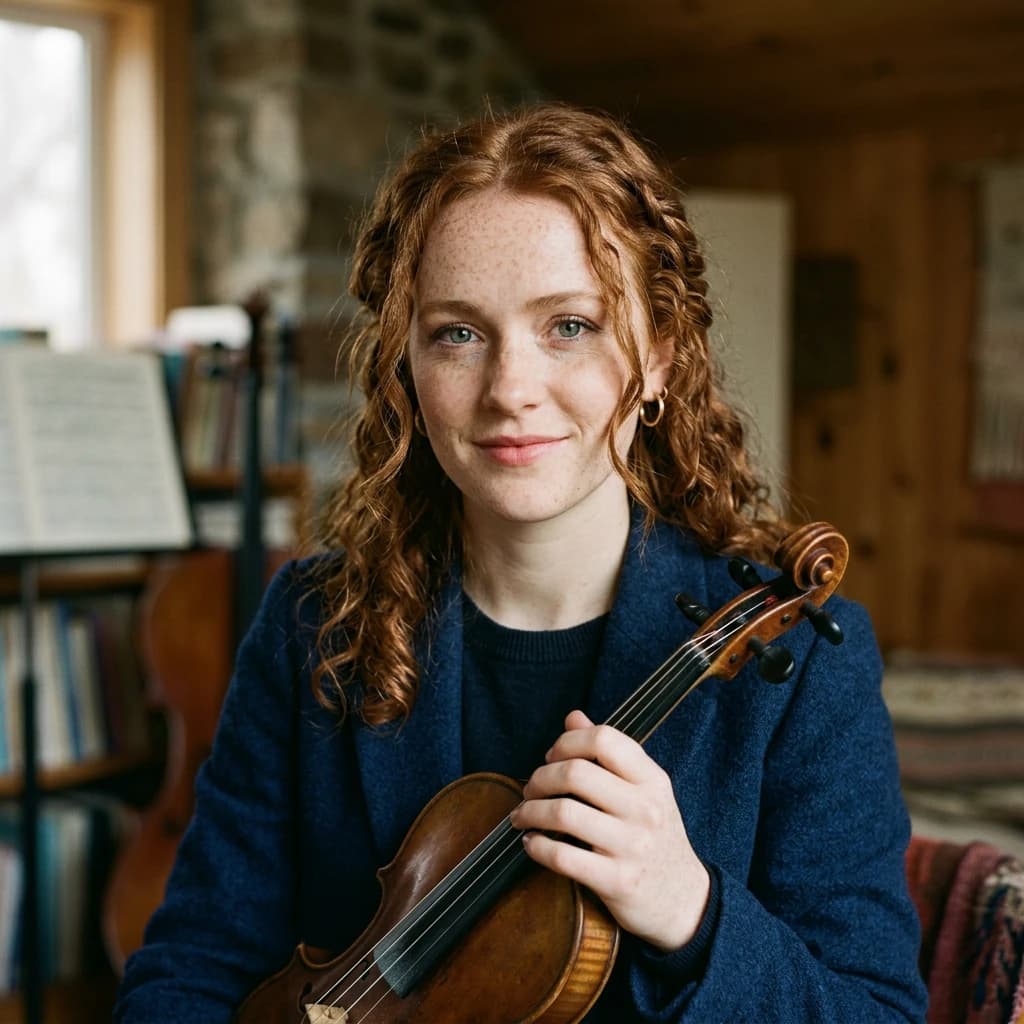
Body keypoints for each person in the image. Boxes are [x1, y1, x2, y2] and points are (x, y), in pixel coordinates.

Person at [113, 102, 927, 1023]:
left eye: (570, 326)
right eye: (457, 332)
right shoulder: (315, 623)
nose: (509, 390)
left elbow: (873, 1011)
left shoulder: (807, 662)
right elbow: (190, 970)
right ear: (405, 369)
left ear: (658, 356)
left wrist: (690, 911)